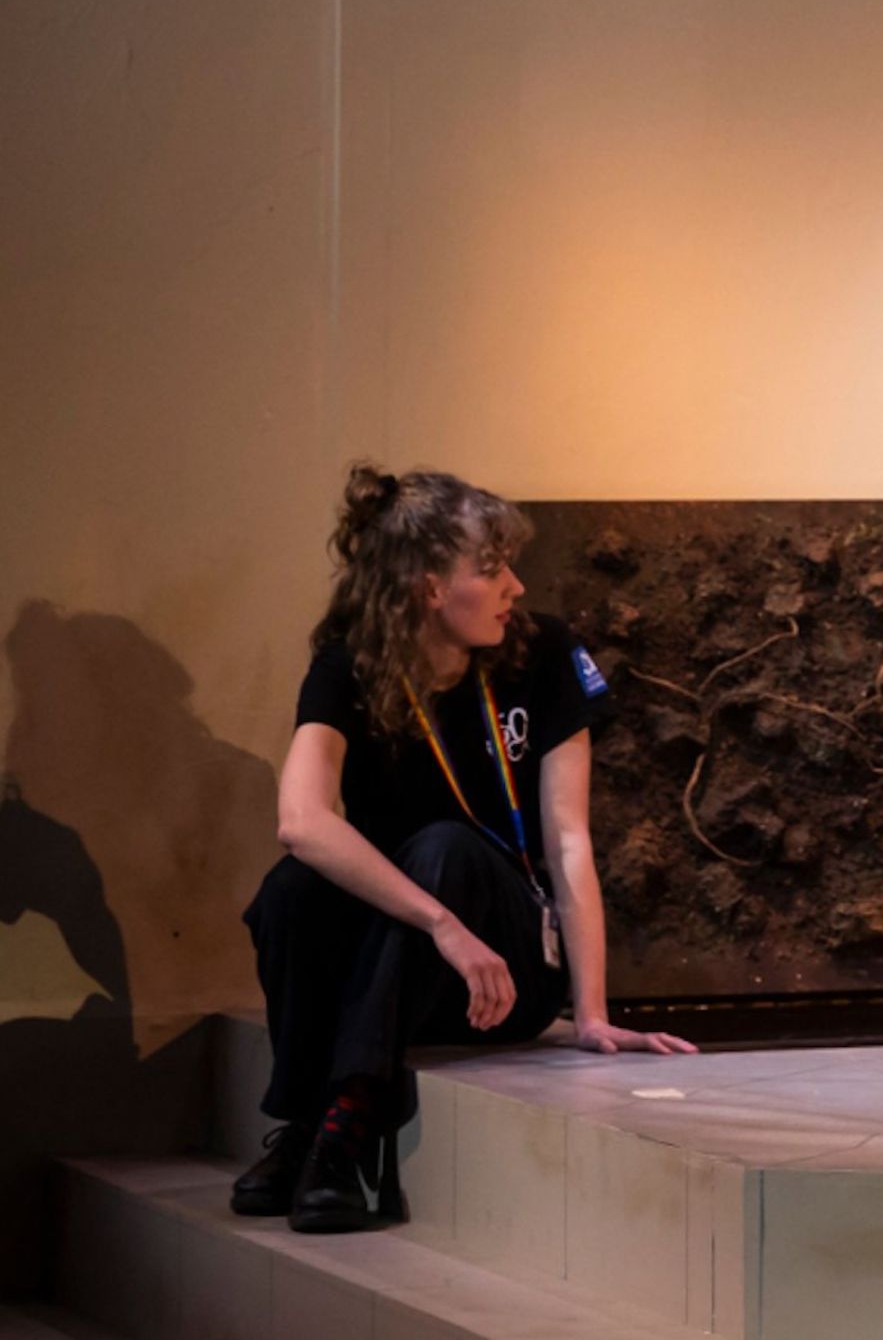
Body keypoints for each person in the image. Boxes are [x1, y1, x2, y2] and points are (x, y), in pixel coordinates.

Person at [235, 467, 695, 1232]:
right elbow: (302, 822)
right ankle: (319, 1128)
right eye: (491, 570)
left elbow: (569, 837)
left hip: (512, 963)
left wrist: (590, 1013)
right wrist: (441, 926)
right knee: (291, 889)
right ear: (427, 589)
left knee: (445, 845)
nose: (515, 586)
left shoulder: (542, 652)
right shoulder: (349, 665)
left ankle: (343, 1124)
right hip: (426, 959)